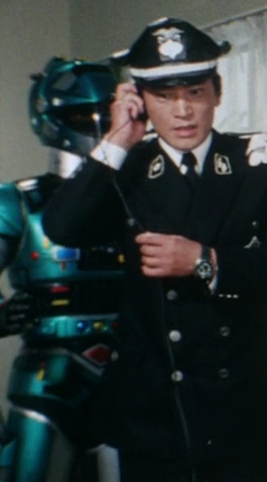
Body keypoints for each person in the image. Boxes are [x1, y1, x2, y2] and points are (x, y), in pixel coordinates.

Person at [42, 17, 267, 482]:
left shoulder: (261, 161)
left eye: (195, 93)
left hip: (244, 406)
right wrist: (117, 139)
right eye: (164, 97)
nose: (183, 111)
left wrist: (204, 261)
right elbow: (62, 227)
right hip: (154, 411)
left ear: (217, 92)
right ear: (140, 100)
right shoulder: (126, 165)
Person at [0, 57, 123, 481]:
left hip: (131, 380)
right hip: (48, 378)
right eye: (82, 115)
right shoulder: (17, 202)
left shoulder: (141, 197)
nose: (96, 125)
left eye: (106, 114)